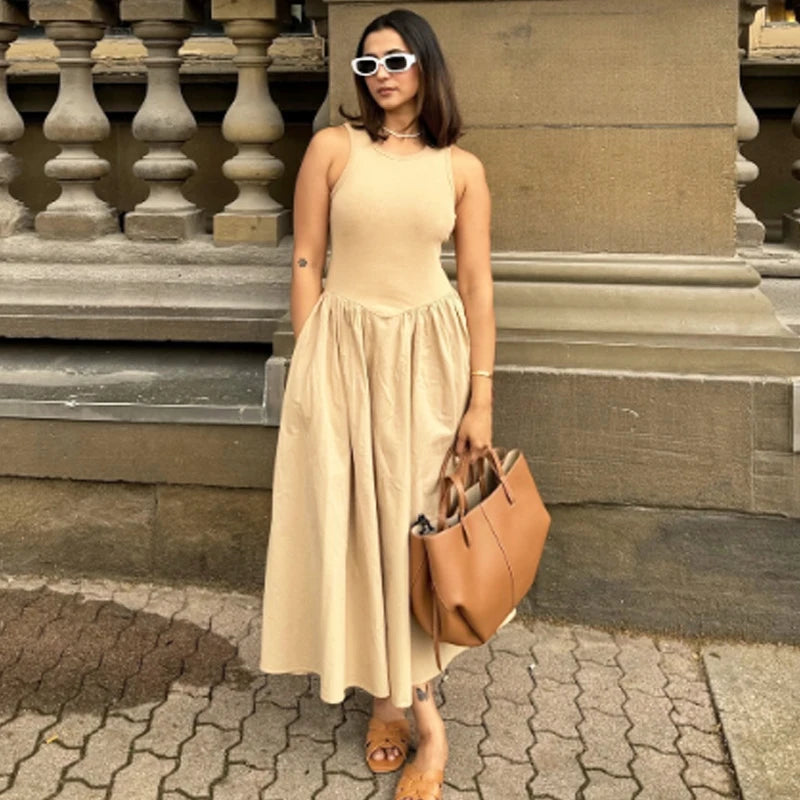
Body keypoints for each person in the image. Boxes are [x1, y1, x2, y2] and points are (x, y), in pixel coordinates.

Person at [260, 9, 494, 800]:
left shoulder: (462, 168)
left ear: (425, 66)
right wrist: (309, 363)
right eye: (367, 66)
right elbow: (305, 259)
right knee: (361, 521)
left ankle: (426, 722)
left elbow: (478, 285)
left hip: (430, 359)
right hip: (346, 351)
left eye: (395, 60)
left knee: (413, 530)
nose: (382, 75)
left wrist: (481, 398)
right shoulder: (333, 149)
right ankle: (388, 700)